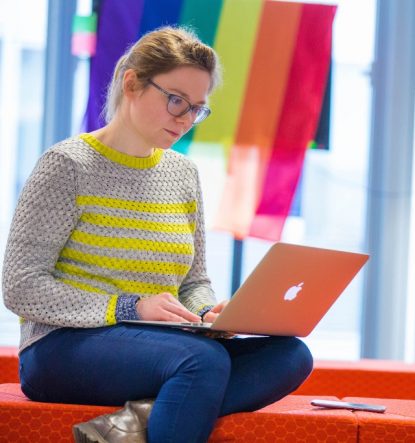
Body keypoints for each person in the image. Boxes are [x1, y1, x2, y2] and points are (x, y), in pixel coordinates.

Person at [2, 26, 313, 442]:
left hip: (161, 346)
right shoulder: (66, 165)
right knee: (200, 362)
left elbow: (194, 281)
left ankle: (135, 423)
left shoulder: (182, 173)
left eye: (197, 109)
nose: (185, 120)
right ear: (131, 84)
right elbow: (21, 287)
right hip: (60, 348)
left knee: (290, 355)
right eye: (176, 101)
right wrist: (130, 307)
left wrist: (206, 314)